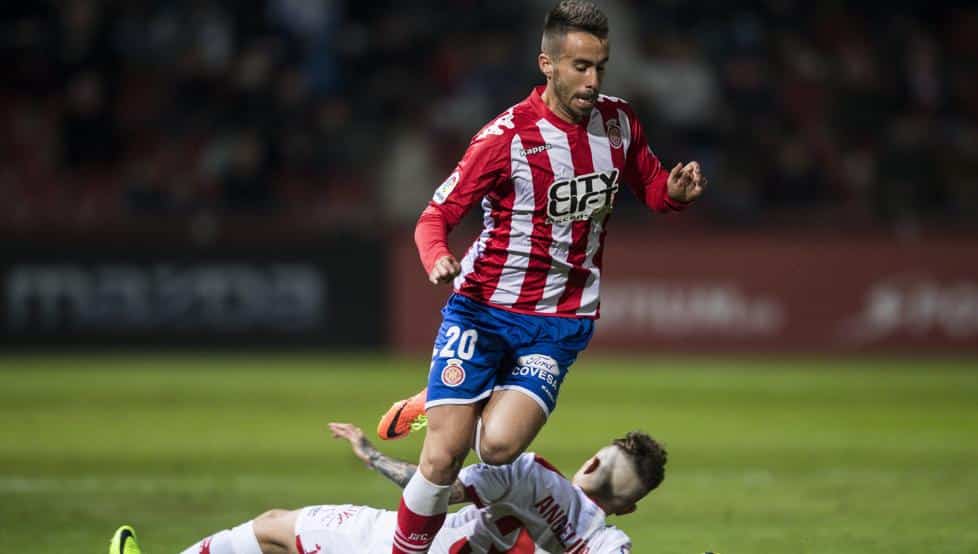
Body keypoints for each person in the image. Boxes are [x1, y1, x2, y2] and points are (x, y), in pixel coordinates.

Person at [376, 2, 706, 552]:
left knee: (499, 449)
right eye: (580, 66)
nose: (593, 81)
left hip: (557, 322)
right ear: (547, 64)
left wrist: (671, 193)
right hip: (482, 311)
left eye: (600, 66)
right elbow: (435, 216)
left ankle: (457, 396)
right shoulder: (503, 138)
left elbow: (649, 185)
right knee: (441, 455)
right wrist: (436, 255)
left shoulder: (619, 123)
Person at [108, 422, 667, 553]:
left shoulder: (527, 473)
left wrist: (371, 453)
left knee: (271, 528)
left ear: (592, 460)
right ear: (631, 509)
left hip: (397, 544)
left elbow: (435, 484)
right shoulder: (605, 543)